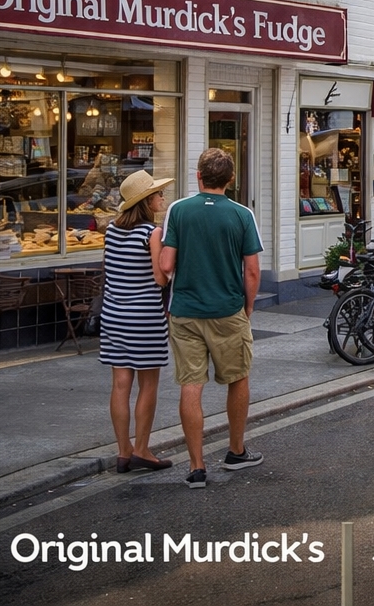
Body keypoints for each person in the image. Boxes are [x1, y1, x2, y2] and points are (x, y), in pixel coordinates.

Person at [156, 148, 263, 490]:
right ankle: (236, 451)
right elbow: (252, 271)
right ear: (230, 180)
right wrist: (247, 308)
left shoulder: (178, 210)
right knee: (238, 377)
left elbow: (166, 265)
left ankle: (196, 466)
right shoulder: (242, 214)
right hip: (227, 310)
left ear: (199, 176)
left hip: (185, 312)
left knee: (191, 384)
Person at [100, 170, 175, 474]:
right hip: (144, 317)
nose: (162, 198)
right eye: (158, 194)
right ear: (146, 201)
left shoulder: (111, 230)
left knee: (120, 385)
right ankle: (142, 449)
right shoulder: (151, 233)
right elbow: (159, 278)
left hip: (113, 315)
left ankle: (123, 452)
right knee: (148, 384)